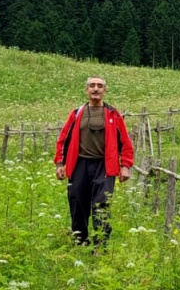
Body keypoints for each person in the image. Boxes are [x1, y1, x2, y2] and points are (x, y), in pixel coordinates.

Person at [53, 76, 136, 245]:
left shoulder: (113, 114)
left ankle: (101, 246)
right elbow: (63, 139)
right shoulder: (77, 114)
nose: (96, 89)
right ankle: (80, 242)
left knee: (102, 204)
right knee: (77, 203)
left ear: (105, 91)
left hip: (104, 166)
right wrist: (60, 164)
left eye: (99, 86)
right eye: (92, 86)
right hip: (79, 165)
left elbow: (125, 142)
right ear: (87, 90)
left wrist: (125, 166)